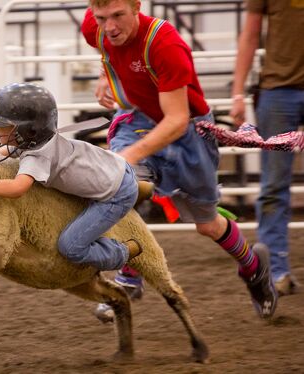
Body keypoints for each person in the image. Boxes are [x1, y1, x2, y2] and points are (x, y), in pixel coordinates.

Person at [82, 0, 278, 318]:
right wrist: (107, 75)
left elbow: (175, 119)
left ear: (137, 7)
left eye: (118, 16)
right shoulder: (96, 27)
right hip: (137, 119)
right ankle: (130, 277)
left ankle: (254, 268)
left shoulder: (164, 42)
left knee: (207, 224)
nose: (111, 26)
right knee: (120, 184)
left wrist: (128, 155)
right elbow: (108, 50)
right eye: (102, 18)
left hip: (187, 132)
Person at [0, 82, 143, 272]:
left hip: (116, 194)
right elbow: (11, 150)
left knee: (70, 247)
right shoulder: (41, 139)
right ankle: (139, 187)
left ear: (28, 130)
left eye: (2, 127)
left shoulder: (38, 156)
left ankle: (123, 252)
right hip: (114, 167)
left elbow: (17, 188)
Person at [230, 0, 303, 296]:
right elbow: (250, 34)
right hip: (278, 91)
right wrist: (237, 92)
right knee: (274, 185)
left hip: (279, 95)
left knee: (274, 185)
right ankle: (276, 271)